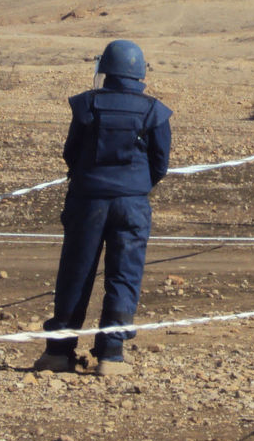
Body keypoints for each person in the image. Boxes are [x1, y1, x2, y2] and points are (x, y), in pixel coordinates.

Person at [34, 40, 172, 376]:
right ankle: (111, 355)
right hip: (132, 205)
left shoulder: (86, 105)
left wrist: (90, 180)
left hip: (87, 200)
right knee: (124, 276)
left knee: (75, 274)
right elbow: (160, 162)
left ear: (105, 69)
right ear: (140, 72)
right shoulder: (154, 111)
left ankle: (58, 353)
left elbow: (71, 153)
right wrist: (135, 187)